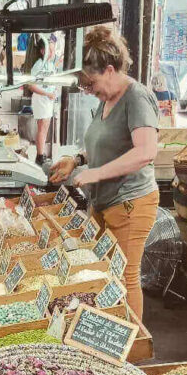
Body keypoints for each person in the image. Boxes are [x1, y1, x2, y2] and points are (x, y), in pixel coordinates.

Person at [48, 26, 158, 320]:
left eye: (92, 82)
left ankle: (133, 345)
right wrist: (78, 159)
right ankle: (107, 332)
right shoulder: (106, 100)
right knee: (105, 272)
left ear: (110, 70)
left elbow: (145, 151)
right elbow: (105, 143)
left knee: (125, 276)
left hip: (131, 202)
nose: (89, 90)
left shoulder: (136, 98)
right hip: (106, 202)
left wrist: (96, 174)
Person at [26, 37, 57, 166]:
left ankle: (42, 153)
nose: (52, 52)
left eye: (53, 50)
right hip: (41, 100)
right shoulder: (39, 64)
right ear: (43, 51)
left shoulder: (50, 64)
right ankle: (39, 155)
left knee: (45, 128)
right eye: (50, 50)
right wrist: (47, 93)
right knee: (42, 128)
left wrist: (53, 93)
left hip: (48, 100)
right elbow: (30, 85)